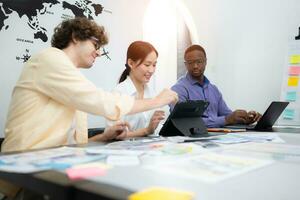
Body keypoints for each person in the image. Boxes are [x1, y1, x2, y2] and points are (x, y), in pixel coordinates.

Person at [1, 17, 178, 153]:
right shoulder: (48, 59)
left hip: (48, 161)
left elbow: (72, 145)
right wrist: (157, 101)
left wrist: (104, 137)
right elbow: (102, 101)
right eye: (95, 44)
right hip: (23, 165)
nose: (99, 52)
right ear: (76, 38)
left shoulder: (71, 78)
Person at [171, 44, 261, 128]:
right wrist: (227, 120)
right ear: (185, 64)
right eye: (190, 62)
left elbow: (227, 115)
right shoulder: (178, 90)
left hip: (216, 137)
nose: (195, 66)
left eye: (199, 61)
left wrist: (245, 118)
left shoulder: (213, 89)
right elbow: (186, 121)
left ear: (205, 62)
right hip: (192, 139)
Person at [107, 41, 166, 138]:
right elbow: (115, 136)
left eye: (154, 65)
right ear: (131, 63)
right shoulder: (118, 93)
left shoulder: (151, 93)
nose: (151, 70)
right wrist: (147, 131)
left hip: (151, 148)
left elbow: (157, 129)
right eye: (147, 65)